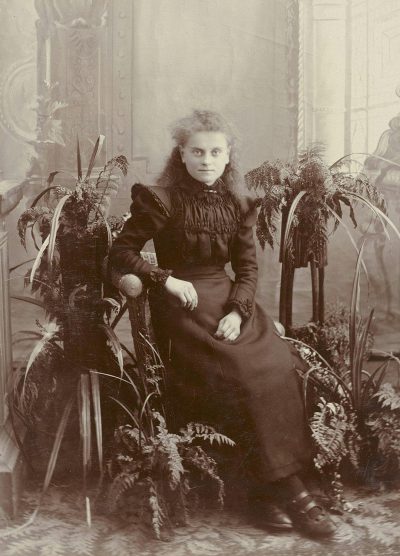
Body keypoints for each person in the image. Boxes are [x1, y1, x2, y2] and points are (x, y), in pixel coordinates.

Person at [108, 110, 336, 538]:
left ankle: (266, 491)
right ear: (182, 153)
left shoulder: (240, 204)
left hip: (228, 302)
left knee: (278, 365)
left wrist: (237, 310)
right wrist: (166, 280)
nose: (206, 160)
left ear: (228, 154)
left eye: (216, 151)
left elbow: (248, 270)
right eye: (197, 151)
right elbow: (121, 253)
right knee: (243, 374)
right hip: (182, 305)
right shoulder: (161, 199)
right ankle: (292, 492)